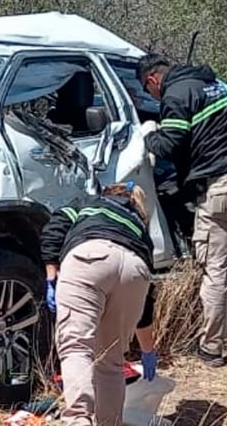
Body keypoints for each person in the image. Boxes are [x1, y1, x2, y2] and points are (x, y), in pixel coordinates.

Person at [137, 54, 227, 367]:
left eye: (147, 90)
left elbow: (170, 145)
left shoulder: (176, 95)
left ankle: (211, 349)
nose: (152, 96)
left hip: (220, 185)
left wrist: (149, 133)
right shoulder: (213, 84)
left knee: (215, 268)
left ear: (152, 79)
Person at [41, 182, 157, 426]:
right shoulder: (139, 228)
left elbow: (55, 228)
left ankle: (79, 420)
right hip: (136, 269)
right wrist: (148, 350)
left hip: (89, 258)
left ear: (107, 194)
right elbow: (145, 305)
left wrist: (51, 274)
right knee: (111, 360)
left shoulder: (88, 203)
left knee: (76, 346)